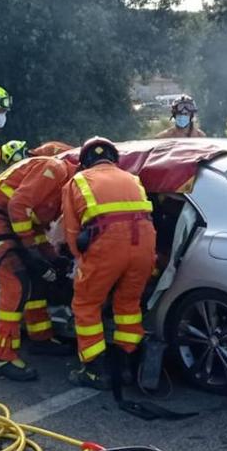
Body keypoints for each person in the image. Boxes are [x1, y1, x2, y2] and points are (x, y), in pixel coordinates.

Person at [60, 137, 156, 389]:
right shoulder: (132, 178)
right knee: (128, 305)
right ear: (114, 159)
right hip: (145, 244)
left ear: (85, 162)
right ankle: (126, 366)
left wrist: (80, 261)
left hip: (107, 245)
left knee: (86, 303)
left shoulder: (78, 181)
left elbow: (71, 231)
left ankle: (94, 371)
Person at [0, 153, 77, 381]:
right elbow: (18, 206)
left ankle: (41, 338)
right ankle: (4, 357)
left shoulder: (60, 187)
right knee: (16, 283)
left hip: (11, 220)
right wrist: (31, 251)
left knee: (37, 280)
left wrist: (50, 256)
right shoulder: (55, 170)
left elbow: (35, 225)